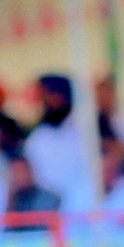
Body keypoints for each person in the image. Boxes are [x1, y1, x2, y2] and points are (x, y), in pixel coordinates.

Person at [24, 74, 96, 212]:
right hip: (47, 210)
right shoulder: (37, 137)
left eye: (49, 94)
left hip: (84, 207)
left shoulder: (86, 131)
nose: (45, 101)